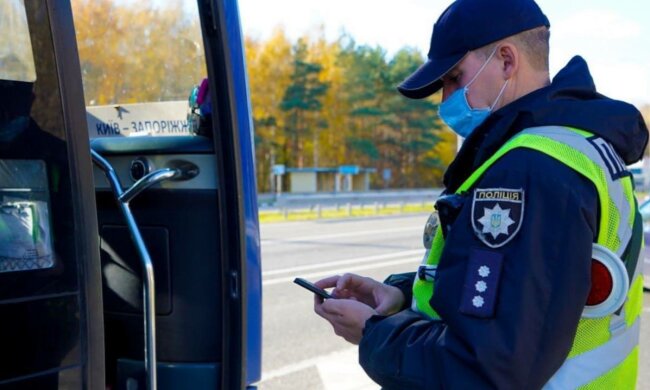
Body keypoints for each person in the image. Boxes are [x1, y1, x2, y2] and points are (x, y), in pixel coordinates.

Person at [313, 0, 648, 388]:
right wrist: (401, 297)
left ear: (507, 60)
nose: (446, 100)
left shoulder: (529, 171)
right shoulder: (576, 148)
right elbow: (530, 294)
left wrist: (373, 333)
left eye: (455, 78)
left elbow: (485, 368)